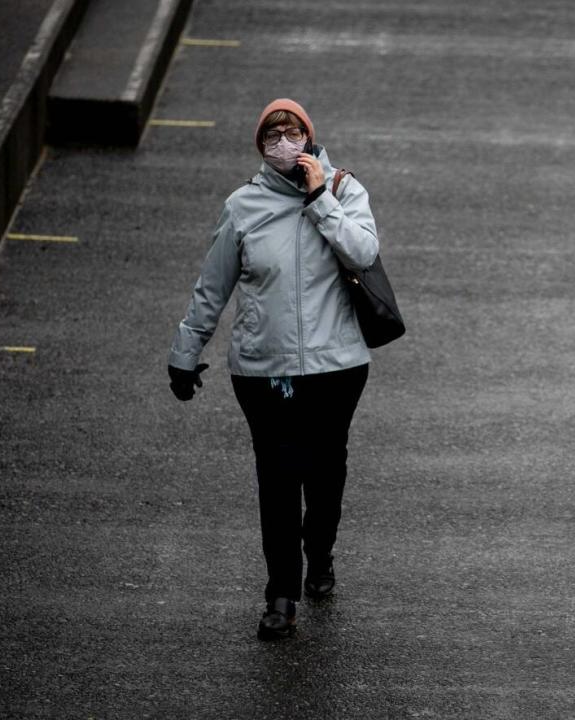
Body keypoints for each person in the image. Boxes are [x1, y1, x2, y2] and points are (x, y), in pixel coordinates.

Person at [167, 98, 378, 640]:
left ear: (310, 137)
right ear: (260, 144)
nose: (283, 142)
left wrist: (318, 200)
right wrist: (184, 354)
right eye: (272, 134)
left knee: (324, 474)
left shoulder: (343, 190)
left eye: (293, 132)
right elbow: (212, 288)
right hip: (264, 371)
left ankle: (320, 549)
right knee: (279, 479)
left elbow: (362, 252)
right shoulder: (242, 206)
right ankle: (281, 593)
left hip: (337, 368)